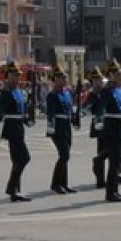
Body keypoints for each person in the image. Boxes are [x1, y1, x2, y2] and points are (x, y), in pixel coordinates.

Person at [0, 61, 32, 202]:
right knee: (25, 158)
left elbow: (21, 109)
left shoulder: (19, 91)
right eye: (14, 75)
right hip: (12, 128)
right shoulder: (6, 92)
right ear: (8, 76)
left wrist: (27, 120)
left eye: (18, 75)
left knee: (17, 160)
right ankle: (11, 187)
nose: (17, 78)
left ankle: (16, 192)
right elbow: (0, 109)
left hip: (19, 126)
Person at [98, 59, 121, 203]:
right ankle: (111, 192)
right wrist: (98, 121)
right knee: (114, 162)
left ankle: (114, 190)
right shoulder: (106, 91)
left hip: (120, 127)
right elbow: (101, 108)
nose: (120, 76)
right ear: (110, 75)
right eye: (118, 74)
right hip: (111, 129)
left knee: (117, 160)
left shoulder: (119, 90)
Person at [46, 63, 77, 194]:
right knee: (64, 155)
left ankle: (64, 183)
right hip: (57, 127)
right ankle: (55, 183)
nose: (65, 79)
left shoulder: (68, 93)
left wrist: (76, 118)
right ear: (56, 79)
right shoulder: (52, 95)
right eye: (62, 78)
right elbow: (51, 112)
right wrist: (51, 126)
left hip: (66, 126)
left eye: (65, 77)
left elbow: (71, 109)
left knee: (66, 156)